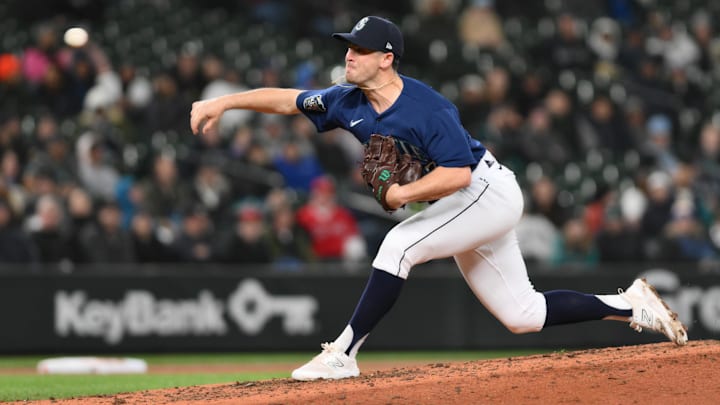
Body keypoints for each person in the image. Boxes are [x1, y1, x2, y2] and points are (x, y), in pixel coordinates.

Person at [190, 16, 688, 381]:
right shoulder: (346, 101)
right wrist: (224, 102)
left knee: (398, 247)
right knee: (523, 315)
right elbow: (288, 99)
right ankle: (629, 306)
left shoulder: (428, 108)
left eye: (360, 49)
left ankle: (342, 353)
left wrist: (403, 192)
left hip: (484, 192)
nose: (348, 56)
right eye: (347, 47)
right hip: (460, 205)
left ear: (387, 58)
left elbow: (456, 173)